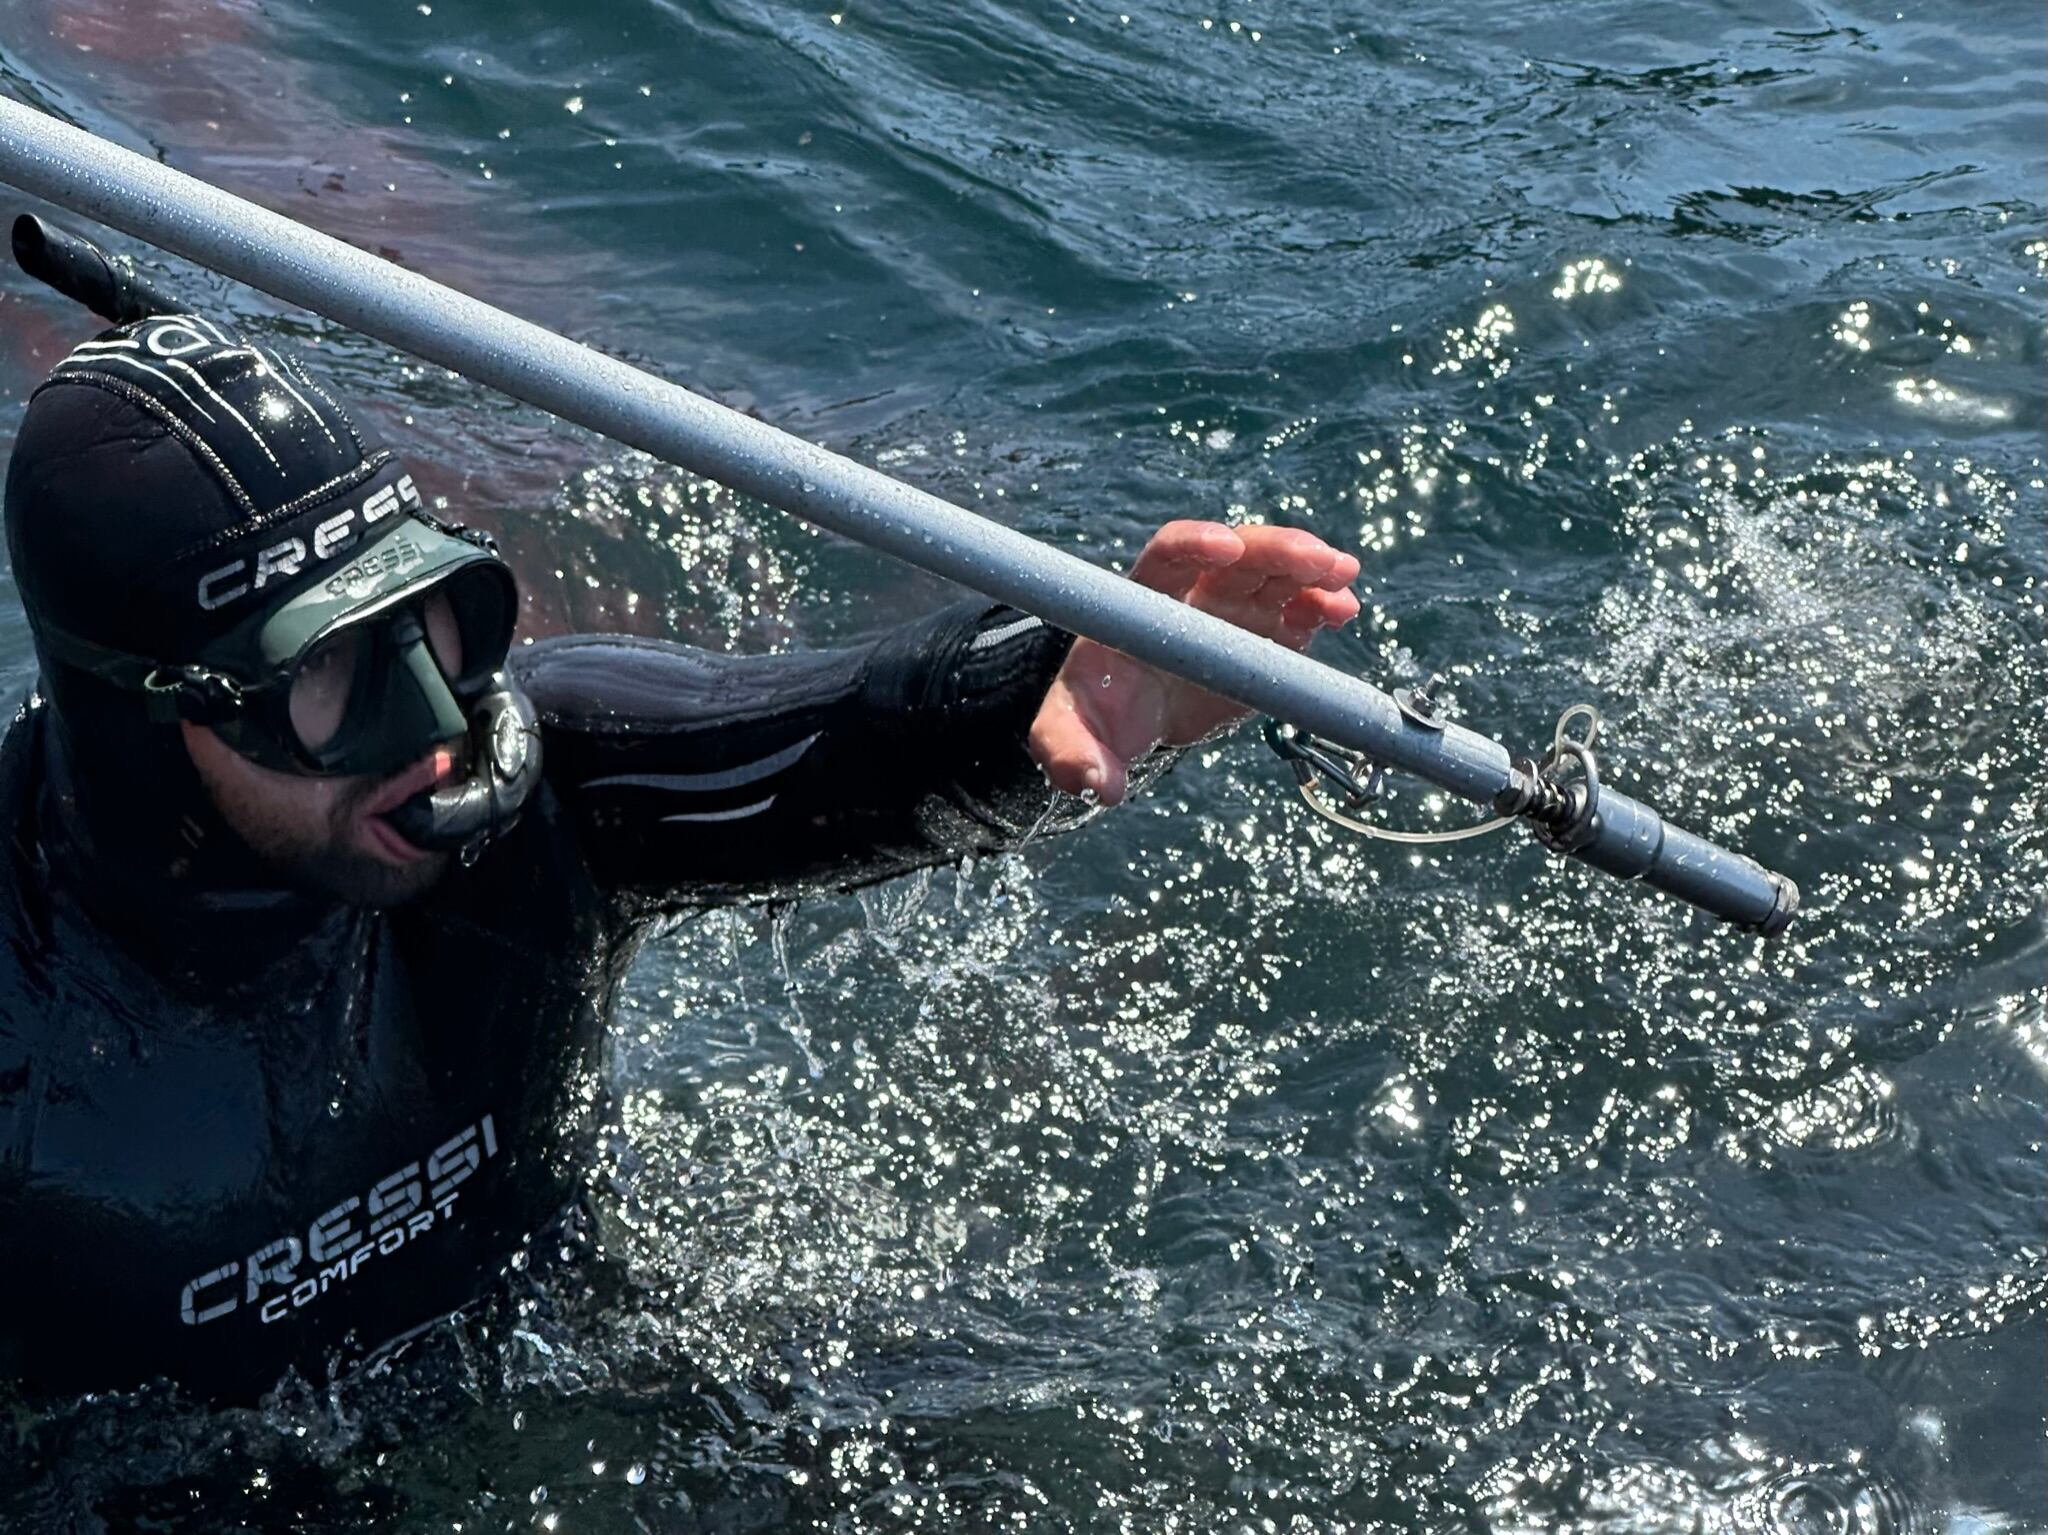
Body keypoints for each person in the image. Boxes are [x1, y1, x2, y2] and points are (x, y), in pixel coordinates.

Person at [0, 312, 1360, 1401]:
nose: (429, 724)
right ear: (146, 720)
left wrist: (1035, 692)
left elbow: (835, 736)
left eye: (443, 621)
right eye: (330, 679)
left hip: (563, 1372)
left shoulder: (530, 796)